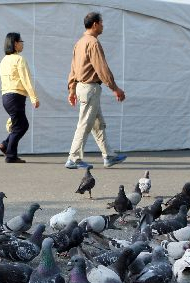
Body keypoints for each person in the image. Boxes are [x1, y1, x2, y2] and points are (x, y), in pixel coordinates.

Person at [65, 12, 127, 169]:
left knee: (98, 124)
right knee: (85, 124)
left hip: (82, 87)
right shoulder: (93, 43)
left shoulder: (79, 43)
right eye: (101, 23)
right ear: (95, 24)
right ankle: (73, 158)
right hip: (90, 88)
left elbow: (73, 69)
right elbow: (102, 69)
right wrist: (115, 88)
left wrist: (72, 90)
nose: (103, 26)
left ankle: (109, 156)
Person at [0, 32, 39, 164]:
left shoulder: (3, 61)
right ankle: (10, 155)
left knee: (21, 124)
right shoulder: (19, 59)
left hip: (6, 97)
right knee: (20, 126)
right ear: (15, 44)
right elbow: (26, 79)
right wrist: (34, 98)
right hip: (16, 96)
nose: (22, 44)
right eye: (21, 41)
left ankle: (5, 144)